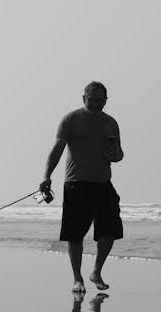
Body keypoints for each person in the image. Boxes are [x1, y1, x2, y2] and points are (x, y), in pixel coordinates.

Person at [40, 81, 124, 293]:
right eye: (94, 100)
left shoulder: (111, 122)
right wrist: (47, 176)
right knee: (74, 235)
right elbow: (57, 149)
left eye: (102, 100)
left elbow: (119, 155)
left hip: (103, 183)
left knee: (109, 231)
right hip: (76, 183)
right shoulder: (71, 119)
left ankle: (96, 271)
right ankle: (77, 278)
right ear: (84, 99)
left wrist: (114, 154)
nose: (98, 104)